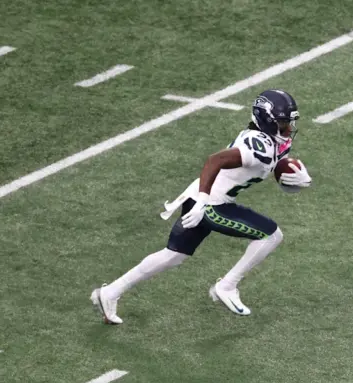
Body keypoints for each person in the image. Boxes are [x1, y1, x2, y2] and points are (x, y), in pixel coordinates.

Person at [90, 89, 312, 324]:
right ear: (267, 120)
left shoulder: (272, 142)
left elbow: (273, 162)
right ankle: (227, 286)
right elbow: (215, 160)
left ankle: (110, 292)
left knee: (173, 255)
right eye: (283, 123)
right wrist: (203, 203)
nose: (288, 128)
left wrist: (291, 173)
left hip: (202, 197)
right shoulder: (258, 145)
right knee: (271, 235)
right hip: (210, 203)